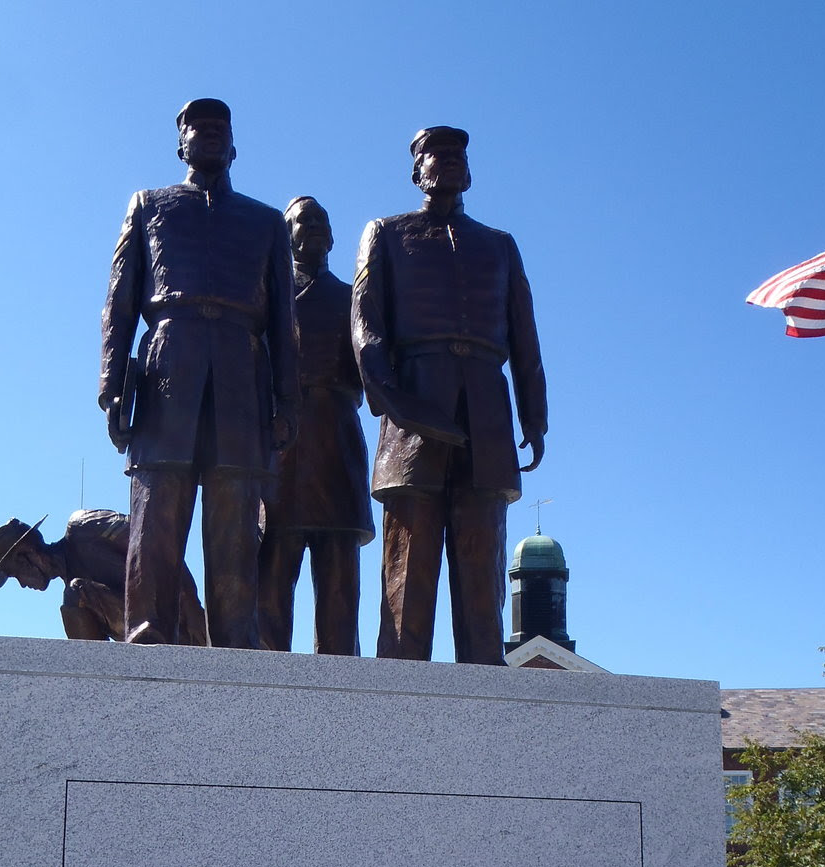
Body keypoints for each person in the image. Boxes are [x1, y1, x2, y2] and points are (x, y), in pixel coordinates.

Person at [100, 98, 299, 648]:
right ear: (180, 142)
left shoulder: (266, 222)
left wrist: (288, 401)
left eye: (220, 127)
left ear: (234, 146)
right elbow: (119, 303)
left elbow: (284, 323)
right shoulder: (149, 205)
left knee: (235, 519)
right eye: (196, 126)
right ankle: (148, 629)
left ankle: (234, 638)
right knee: (157, 510)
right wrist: (112, 386)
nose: (209, 133)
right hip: (169, 359)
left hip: (242, 369)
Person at [352, 126, 548, 665]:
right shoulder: (386, 233)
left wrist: (535, 414)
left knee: (481, 553)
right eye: (434, 156)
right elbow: (365, 330)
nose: (447, 163)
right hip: (416, 399)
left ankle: (483, 672)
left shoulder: (499, 245)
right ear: (417, 171)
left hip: (487, 403)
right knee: (408, 561)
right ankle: (399, 674)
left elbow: (525, 335)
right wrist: (393, 401)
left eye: (457, 155)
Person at [258, 197, 373, 654]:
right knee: (273, 565)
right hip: (281, 441)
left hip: (337, 438)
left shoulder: (353, 298)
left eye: (323, 219)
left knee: (339, 567)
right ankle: (266, 674)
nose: (316, 227)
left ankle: (341, 676)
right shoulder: (267, 298)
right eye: (304, 220)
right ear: (286, 235)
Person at [0, 510, 208, 645]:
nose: (23, 585)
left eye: (16, 575)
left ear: (27, 555)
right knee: (73, 597)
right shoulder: (76, 603)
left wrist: (192, 607)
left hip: (180, 626)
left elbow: (153, 544)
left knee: (75, 592)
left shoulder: (84, 526)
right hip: (149, 647)